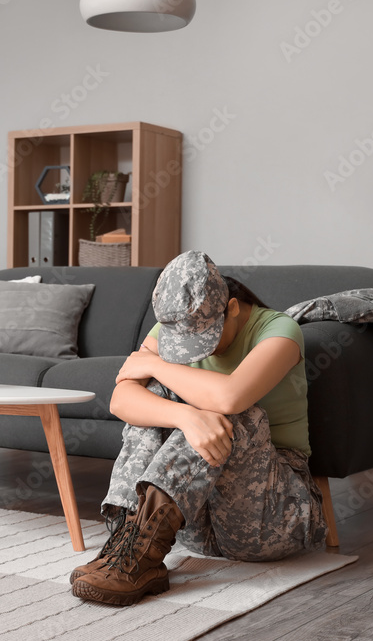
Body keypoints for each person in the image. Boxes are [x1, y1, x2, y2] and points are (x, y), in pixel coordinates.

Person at [71, 250, 327, 606]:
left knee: (235, 413)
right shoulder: (172, 323)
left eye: (202, 342)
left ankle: (137, 554)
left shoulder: (280, 330)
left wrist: (157, 366)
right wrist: (185, 416)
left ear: (233, 309)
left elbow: (231, 398)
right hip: (192, 522)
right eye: (182, 344)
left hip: (273, 518)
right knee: (155, 400)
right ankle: (130, 545)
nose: (190, 352)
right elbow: (121, 401)